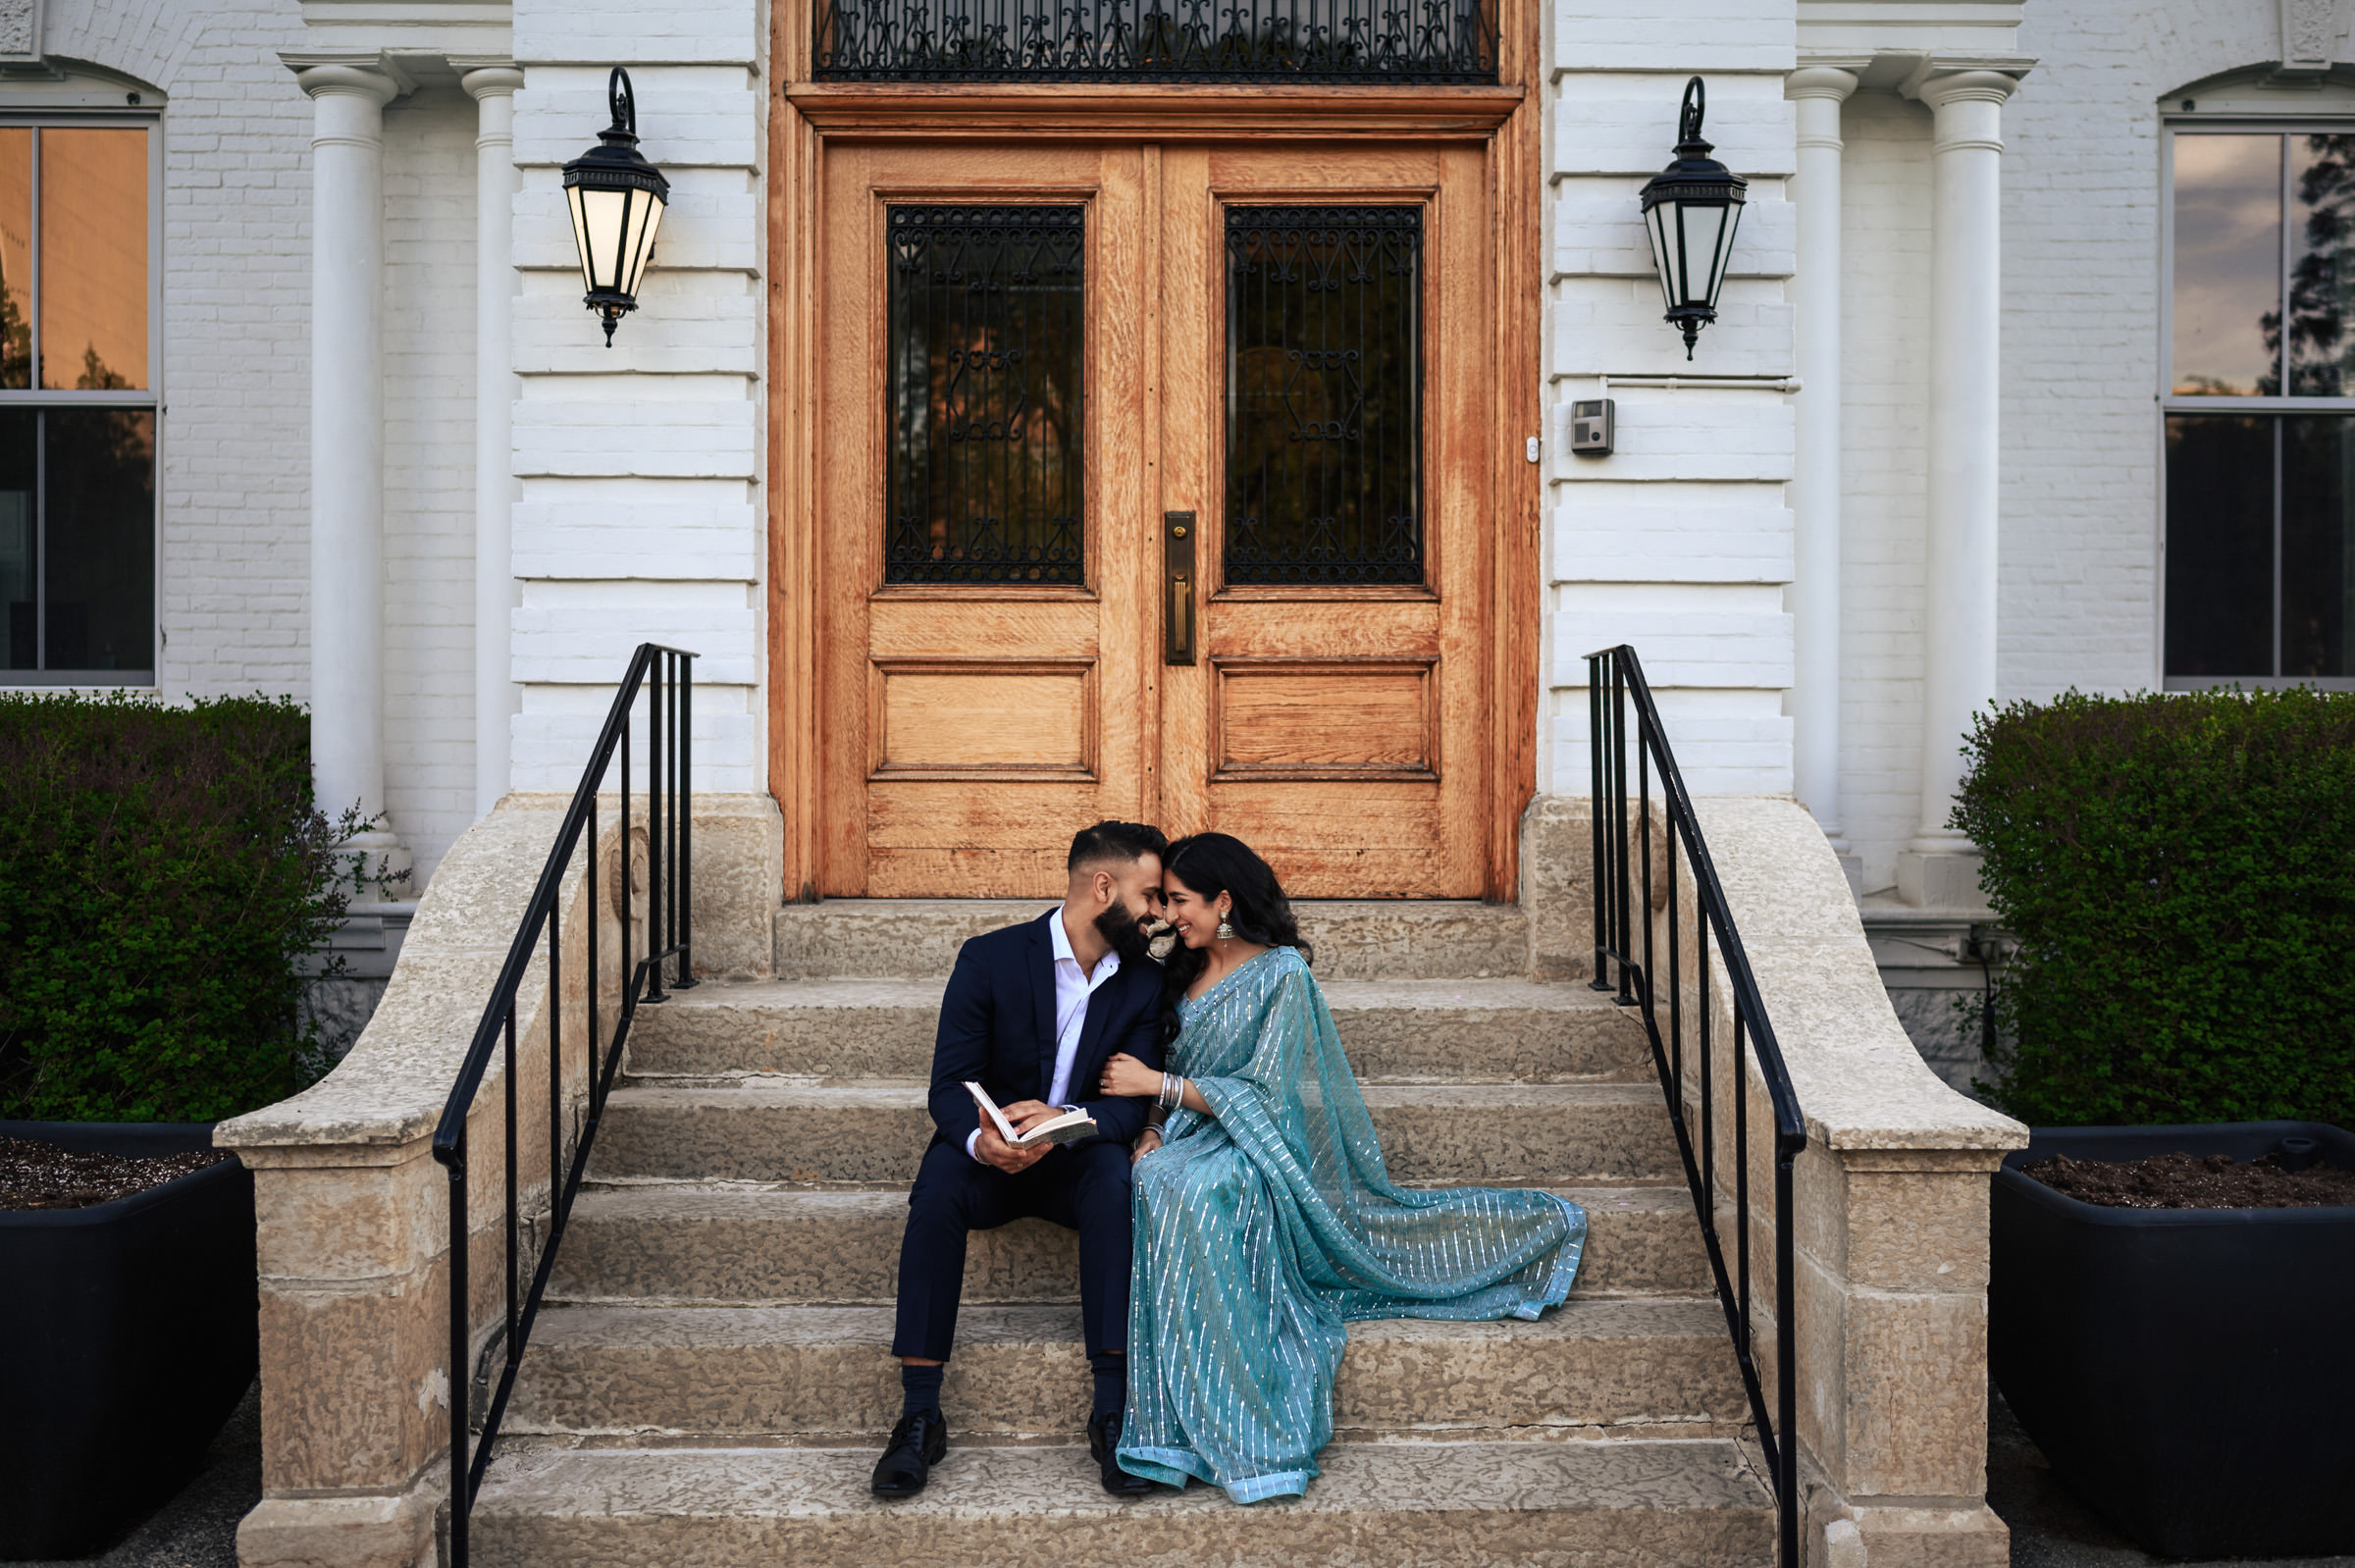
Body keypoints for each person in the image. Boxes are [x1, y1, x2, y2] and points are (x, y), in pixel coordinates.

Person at [1100, 832, 1587, 1503]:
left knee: (1195, 1187)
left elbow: (1268, 1096)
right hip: (1182, 1129)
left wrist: (1155, 1088)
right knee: (1156, 1177)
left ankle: (1245, 1420)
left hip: (1250, 1143)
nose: (1171, 915)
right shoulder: (1174, 969)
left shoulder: (1280, 975)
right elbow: (1165, 1070)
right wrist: (1151, 1129)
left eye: (1181, 901)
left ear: (1224, 900)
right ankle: (1169, 1428)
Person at [871, 820, 1170, 1500]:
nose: (1156, 913)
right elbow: (948, 1084)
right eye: (1150, 896)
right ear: (1103, 888)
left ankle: (1113, 1412)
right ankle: (920, 1413)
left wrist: (1074, 1121)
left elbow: (1130, 1106)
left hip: (1075, 1161)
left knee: (1111, 1176)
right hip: (992, 1160)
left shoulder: (1145, 986)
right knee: (940, 1179)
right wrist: (985, 1140)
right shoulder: (990, 959)